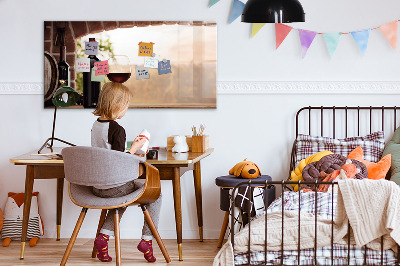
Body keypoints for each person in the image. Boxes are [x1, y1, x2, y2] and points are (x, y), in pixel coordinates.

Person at [91, 82, 161, 263]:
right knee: (156, 194)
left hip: (97, 186)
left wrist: (131, 149)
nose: (126, 109)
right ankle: (147, 240)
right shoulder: (117, 129)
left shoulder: (96, 125)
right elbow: (119, 161)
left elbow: (108, 154)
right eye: (126, 105)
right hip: (114, 186)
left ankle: (103, 238)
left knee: (121, 197)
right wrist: (136, 148)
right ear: (118, 105)